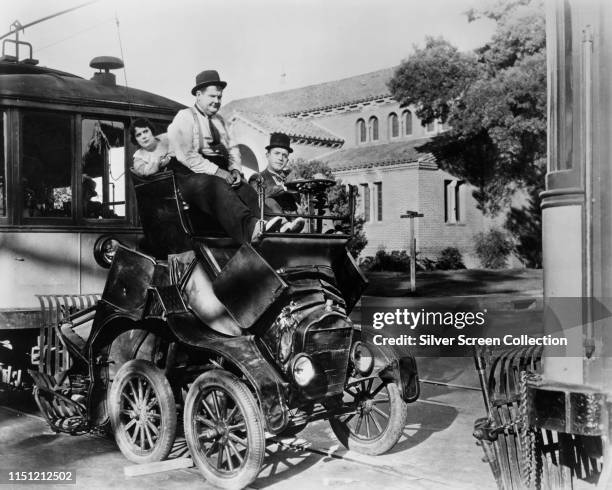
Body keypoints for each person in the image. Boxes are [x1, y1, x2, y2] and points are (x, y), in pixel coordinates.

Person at [168, 70, 281, 243]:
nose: (217, 101)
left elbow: (234, 150)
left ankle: (276, 224)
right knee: (215, 185)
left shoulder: (222, 122)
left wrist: (235, 170)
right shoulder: (184, 117)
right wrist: (218, 172)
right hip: (189, 178)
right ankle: (251, 229)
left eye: (219, 97)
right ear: (198, 95)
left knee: (244, 188)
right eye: (212, 96)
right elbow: (186, 155)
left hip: (217, 174)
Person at [248, 132, 305, 233]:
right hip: (273, 229)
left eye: (284, 155)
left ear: (287, 160)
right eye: (277, 153)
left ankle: (330, 231)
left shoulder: (292, 178)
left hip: (298, 225)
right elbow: (259, 198)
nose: (280, 158)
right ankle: (284, 224)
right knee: (267, 199)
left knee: (319, 195)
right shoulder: (257, 178)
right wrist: (285, 188)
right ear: (268, 155)